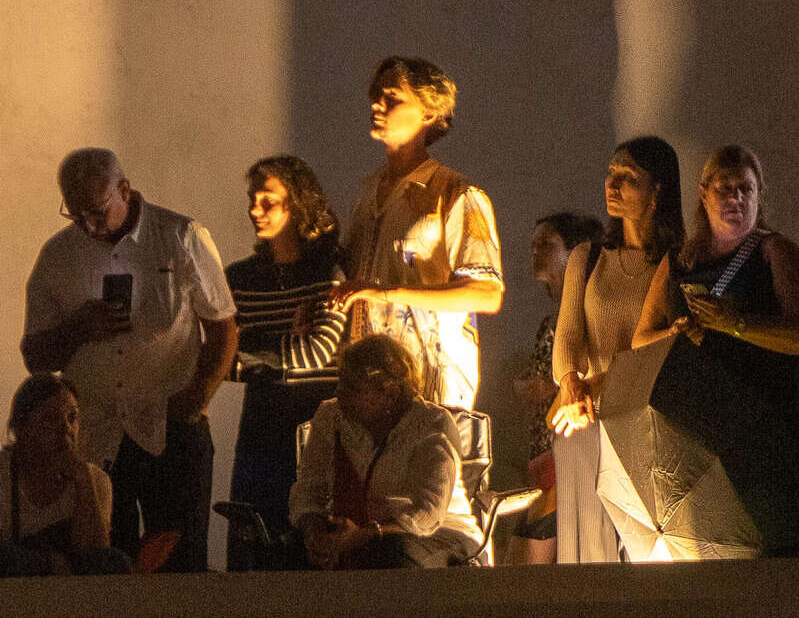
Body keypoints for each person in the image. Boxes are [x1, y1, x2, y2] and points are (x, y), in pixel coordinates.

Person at [21, 148, 237, 572]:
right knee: (104, 568)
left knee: (180, 566)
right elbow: (35, 359)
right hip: (97, 436)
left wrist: (198, 398)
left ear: (125, 189)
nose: (87, 222)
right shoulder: (57, 256)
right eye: (75, 212)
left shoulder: (180, 235)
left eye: (97, 210)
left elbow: (223, 327)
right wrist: (77, 329)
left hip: (171, 426)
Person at [633, 144, 799, 556]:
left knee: (782, 545)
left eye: (745, 188)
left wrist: (737, 325)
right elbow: (642, 338)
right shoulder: (679, 262)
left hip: (768, 424)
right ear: (703, 193)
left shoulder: (774, 251)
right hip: (698, 432)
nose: (735, 199)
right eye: (725, 188)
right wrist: (676, 330)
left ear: (760, 195)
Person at [332, 57, 503, 408]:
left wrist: (387, 293)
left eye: (392, 97)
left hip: (431, 385)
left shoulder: (455, 193)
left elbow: (486, 293)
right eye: (376, 95)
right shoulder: (367, 195)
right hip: (370, 388)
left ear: (428, 113)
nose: (377, 105)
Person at [550, 135, 684, 563]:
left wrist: (600, 385)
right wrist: (572, 384)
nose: (613, 183)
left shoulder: (677, 260)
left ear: (657, 189)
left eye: (628, 177)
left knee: (650, 547)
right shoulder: (588, 258)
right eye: (611, 173)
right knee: (592, 546)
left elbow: (666, 346)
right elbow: (568, 333)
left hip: (649, 419)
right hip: (586, 414)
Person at [224, 155, 347, 566]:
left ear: (297, 204)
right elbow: (214, 360)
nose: (254, 210)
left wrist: (252, 346)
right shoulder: (240, 278)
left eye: (267, 200)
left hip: (316, 429)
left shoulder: (328, 271)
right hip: (260, 429)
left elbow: (316, 353)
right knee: (253, 548)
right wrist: (280, 348)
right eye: (251, 199)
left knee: (308, 552)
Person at [289, 334, 482, 569]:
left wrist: (366, 534)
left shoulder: (432, 425)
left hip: (437, 534)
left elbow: (428, 514)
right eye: (340, 382)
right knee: (284, 553)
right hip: (354, 530)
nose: (339, 392)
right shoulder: (332, 416)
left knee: (391, 555)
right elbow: (309, 489)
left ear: (389, 393)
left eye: (353, 388)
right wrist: (314, 533)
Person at [506, 210, 603, 566]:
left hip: (572, 449)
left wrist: (550, 388)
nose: (535, 251)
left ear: (575, 251)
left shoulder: (588, 316)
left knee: (539, 550)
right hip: (546, 452)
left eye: (547, 243)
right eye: (533, 244)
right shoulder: (550, 321)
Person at [0, 374, 130, 576]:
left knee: (116, 562)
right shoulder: (3, 473)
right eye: (49, 418)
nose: (66, 429)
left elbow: (95, 554)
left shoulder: (96, 479)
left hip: (69, 588)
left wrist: (84, 480)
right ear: (21, 427)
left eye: (72, 418)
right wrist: (47, 565)